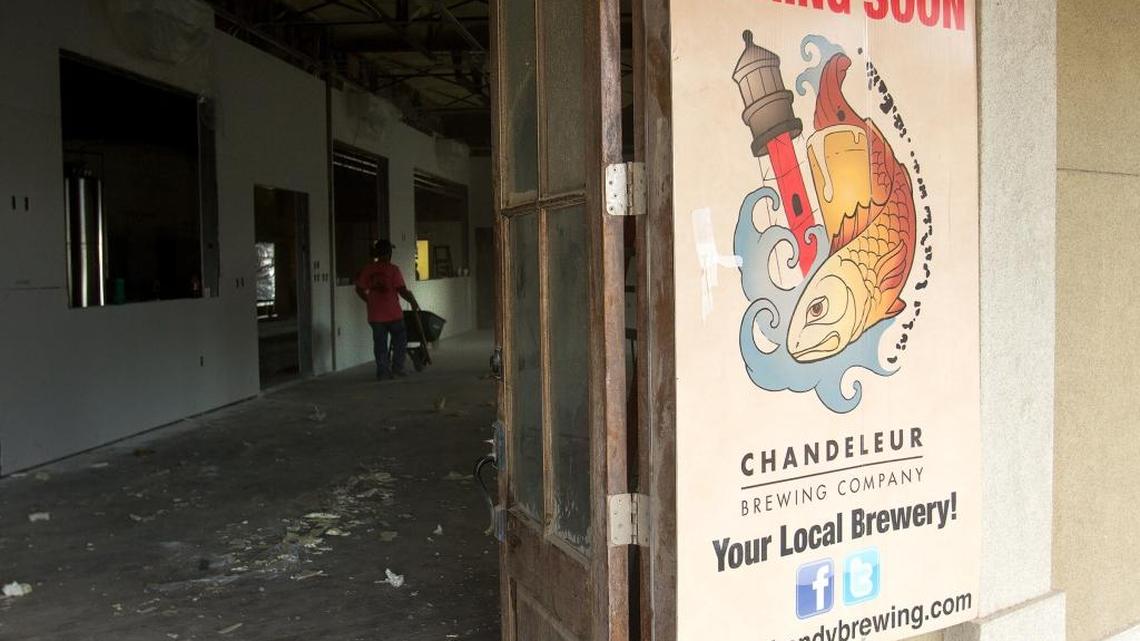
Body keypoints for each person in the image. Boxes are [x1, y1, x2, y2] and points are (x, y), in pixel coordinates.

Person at [356, 239, 420, 379]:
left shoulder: (368, 269)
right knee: (400, 341)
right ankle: (397, 369)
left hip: (375, 316)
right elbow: (401, 290)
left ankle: (383, 372)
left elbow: (359, 288)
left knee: (380, 345)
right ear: (389, 253)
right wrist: (413, 301)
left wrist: (369, 300)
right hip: (393, 314)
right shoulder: (393, 269)